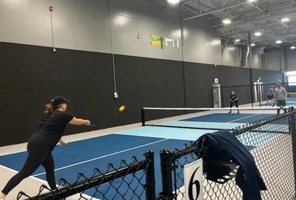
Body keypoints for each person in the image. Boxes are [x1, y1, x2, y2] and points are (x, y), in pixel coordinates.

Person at [0, 96, 91, 199]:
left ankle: (54, 192)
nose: (66, 105)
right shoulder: (64, 115)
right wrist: (86, 122)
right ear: (62, 105)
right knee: (25, 172)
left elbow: (49, 129)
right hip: (41, 146)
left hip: (35, 142)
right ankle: (2, 195)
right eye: (65, 103)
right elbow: (77, 121)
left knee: (50, 167)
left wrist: (59, 140)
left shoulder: (49, 115)